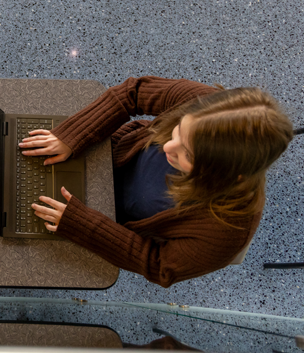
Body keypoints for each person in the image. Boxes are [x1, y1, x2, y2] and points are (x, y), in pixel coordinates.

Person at [18, 76, 293, 287]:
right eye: (177, 131)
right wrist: (74, 134)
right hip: (104, 156)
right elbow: (133, 92)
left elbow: (158, 265)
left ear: (229, 174)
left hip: (109, 224)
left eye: (187, 153)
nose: (166, 148)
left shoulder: (226, 231)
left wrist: (84, 226)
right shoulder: (207, 105)